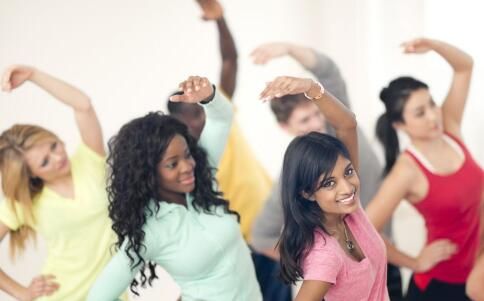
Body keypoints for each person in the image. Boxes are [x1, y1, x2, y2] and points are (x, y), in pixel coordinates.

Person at [87, 76, 262, 301]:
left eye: (187, 155)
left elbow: (222, 118)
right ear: (148, 174)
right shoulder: (150, 231)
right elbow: (98, 297)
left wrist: (209, 96)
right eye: (172, 164)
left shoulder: (202, 180)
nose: (188, 166)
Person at [250, 43, 402, 298]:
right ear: (307, 193)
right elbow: (261, 236)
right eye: (329, 183)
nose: (347, 187)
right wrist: (306, 261)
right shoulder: (325, 256)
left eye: (349, 173)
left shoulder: (351, 211)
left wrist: (310, 87)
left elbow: (347, 123)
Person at [366, 38, 482, 301]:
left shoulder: (450, 129)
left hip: (476, 275)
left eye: (432, 104)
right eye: (420, 112)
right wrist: (415, 262)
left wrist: (433, 45)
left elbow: (465, 67)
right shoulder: (406, 171)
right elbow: (361, 232)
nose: (433, 115)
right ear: (399, 124)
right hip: (439, 287)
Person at [0, 65, 125, 300]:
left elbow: (83, 105)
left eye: (54, 145)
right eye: (45, 162)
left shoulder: (89, 161)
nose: (58, 158)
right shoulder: (25, 202)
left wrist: (33, 75)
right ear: (32, 175)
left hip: (111, 293)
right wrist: (22, 293)